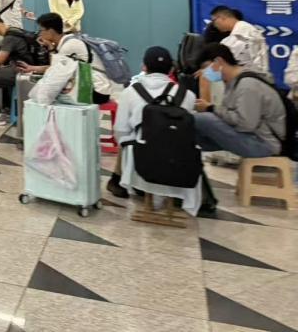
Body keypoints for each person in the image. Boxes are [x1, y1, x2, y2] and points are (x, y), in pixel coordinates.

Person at [108, 46, 198, 204]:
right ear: (171, 69)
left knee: (129, 137)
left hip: (141, 167)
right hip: (179, 168)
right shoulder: (188, 95)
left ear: (144, 67)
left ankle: (121, 181)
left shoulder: (130, 92)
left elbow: (120, 130)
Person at [193, 44, 286, 158]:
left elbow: (246, 124)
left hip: (265, 144)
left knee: (202, 119)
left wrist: (211, 108)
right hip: (253, 136)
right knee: (197, 128)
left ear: (218, 61)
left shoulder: (248, 85)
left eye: (206, 68)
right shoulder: (233, 82)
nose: (205, 73)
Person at [19, 12, 112, 104]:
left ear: (51, 31)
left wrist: (50, 49)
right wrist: (31, 68)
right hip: (91, 87)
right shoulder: (67, 41)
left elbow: (54, 72)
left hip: (96, 91)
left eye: (41, 30)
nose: (40, 34)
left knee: (51, 94)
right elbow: (56, 68)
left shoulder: (69, 45)